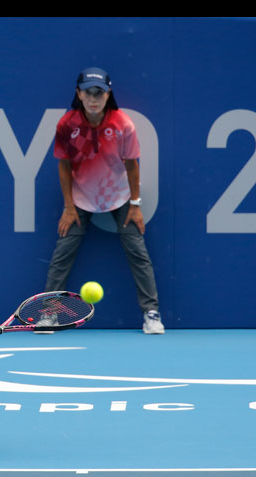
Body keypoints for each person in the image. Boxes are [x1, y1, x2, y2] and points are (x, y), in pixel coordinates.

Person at [44, 67, 165, 335]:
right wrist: (68, 206)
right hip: (81, 199)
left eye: (99, 92)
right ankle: (49, 312)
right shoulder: (67, 125)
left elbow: (132, 166)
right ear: (79, 94)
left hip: (120, 197)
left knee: (138, 252)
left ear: (109, 94)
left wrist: (135, 204)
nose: (94, 97)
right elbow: (64, 166)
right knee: (63, 251)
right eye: (88, 92)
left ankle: (151, 313)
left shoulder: (124, 125)